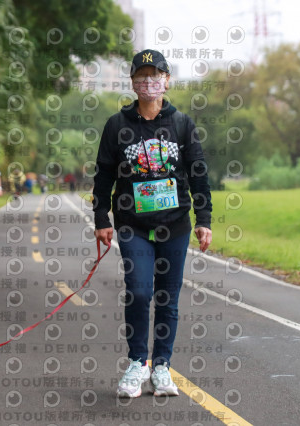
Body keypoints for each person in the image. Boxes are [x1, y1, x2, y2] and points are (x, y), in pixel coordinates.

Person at [92, 49, 213, 398]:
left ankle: (161, 366)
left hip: (175, 224)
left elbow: (198, 174)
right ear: (132, 83)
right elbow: (103, 175)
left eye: (156, 75)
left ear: (167, 80)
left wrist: (203, 220)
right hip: (133, 226)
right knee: (140, 290)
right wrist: (102, 218)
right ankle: (136, 363)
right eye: (142, 77)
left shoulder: (181, 124)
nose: (149, 82)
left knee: (167, 298)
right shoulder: (118, 125)